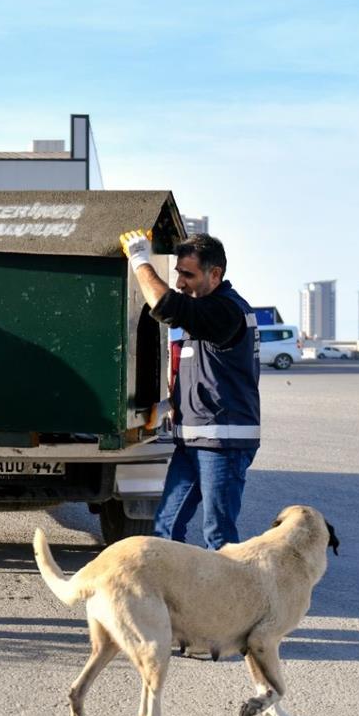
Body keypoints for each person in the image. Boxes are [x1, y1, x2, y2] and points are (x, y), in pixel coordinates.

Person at [119, 230, 260, 551]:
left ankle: (228, 602)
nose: (180, 282)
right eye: (177, 273)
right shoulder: (206, 315)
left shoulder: (225, 311)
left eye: (188, 274)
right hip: (194, 439)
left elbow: (166, 305)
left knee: (219, 536)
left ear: (215, 274)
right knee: (166, 529)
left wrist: (139, 257)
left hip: (223, 442)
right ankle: (173, 599)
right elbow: (210, 373)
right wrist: (171, 403)